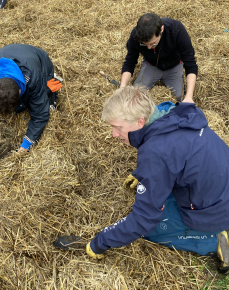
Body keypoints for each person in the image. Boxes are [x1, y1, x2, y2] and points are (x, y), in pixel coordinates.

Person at [86, 86, 229, 274]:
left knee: (150, 230)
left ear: (140, 121)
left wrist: (102, 241)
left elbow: (143, 219)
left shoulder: (156, 152)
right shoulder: (176, 115)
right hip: (217, 187)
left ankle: (213, 239)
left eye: (117, 127)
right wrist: (142, 173)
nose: (113, 134)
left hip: (215, 209)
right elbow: (178, 155)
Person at [0, 44, 62, 152]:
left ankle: (50, 87)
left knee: (41, 99)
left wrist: (26, 146)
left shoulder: (32, 78)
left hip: (40, 62)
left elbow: (40, 116)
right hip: (15, 55)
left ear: (20, 91)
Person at [120, 13, 198, 103]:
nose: (149, 47)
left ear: (162, 29)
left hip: (174, 66)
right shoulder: (135, 36)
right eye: (145, 44)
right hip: (151, 65)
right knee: (134, 97)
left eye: (153, 43)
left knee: (180, 97)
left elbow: (191, 64)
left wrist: (189, 97)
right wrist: (122, 88)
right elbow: (130, 61)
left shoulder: (176, 29)